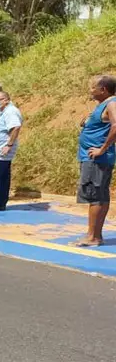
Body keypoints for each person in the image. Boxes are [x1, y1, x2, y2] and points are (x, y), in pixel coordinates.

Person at [74, 75, 116, 247]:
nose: (90, 90)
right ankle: (95, 235)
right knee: (99, 195)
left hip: (97, 159)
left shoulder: (111, 103)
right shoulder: (103, 105)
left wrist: (102, 149)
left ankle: (93, 236)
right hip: (93, 158)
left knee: (95, 196)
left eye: (93, 87)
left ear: (103, 89)